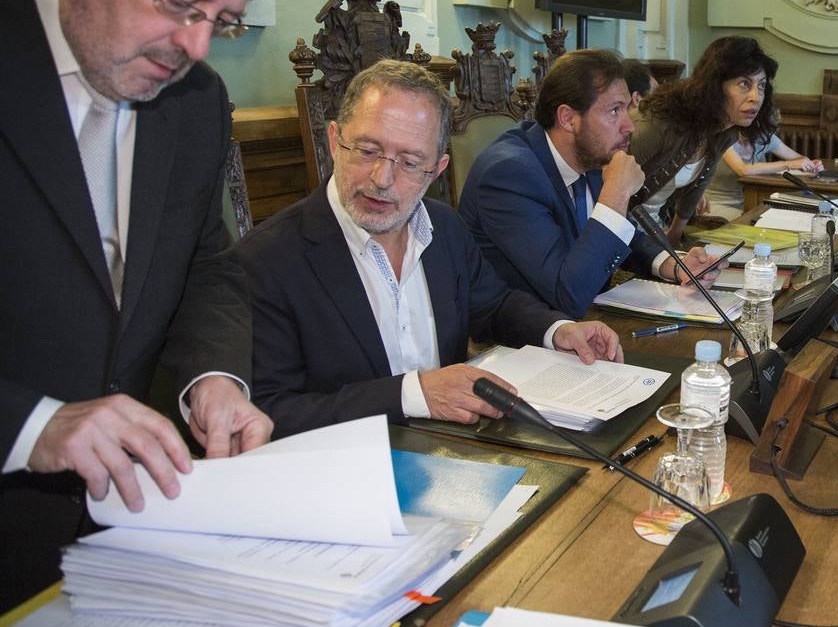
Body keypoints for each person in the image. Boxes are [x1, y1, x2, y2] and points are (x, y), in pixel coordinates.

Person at [0, 0, 277, 612]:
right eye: (180, 2)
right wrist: (32, 425)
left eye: (220, 19)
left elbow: (204, 264)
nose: (197, 47)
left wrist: (213, 378)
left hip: (128, 542)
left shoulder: (194, 100)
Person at [232, 60, 623, 438]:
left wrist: (557, 330)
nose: (382, 178)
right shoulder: (267, 260)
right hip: (345, 474)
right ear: (335, 141)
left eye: (409, 161)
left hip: (456, 452)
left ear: (437, 170)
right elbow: (268, 412)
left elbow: (493, 305)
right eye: (367, 150)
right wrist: (414, 394)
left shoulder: (444, 227)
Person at [459, 49, 722, 318]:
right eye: (614, 111)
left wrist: (675, 265)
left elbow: (624, 234)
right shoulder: (510, 175)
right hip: (516, 342)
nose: (629, 126)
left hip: (583, 324)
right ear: (568, 118)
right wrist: (617, 193)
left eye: (627, 109)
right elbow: (568, 294)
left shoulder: (589, 156)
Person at [628, 36, 780, 244]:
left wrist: (674, 240)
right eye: (744, 84)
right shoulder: (659, 123)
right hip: (622, 231)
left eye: (761, 86)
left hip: (653, 230)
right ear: (716, 85)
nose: (756, 96)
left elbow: (700, 182)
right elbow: (606, 189)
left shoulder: (727, 130)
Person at [704, 125, 824, 220]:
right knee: (761, 224)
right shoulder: (724, 136)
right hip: (716, 205)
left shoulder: (763, 135)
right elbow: (742, 169)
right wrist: (786, 164)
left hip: (750, 203)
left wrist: (812, 165)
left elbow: (798, 159)